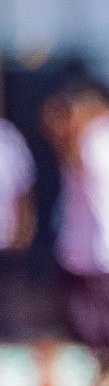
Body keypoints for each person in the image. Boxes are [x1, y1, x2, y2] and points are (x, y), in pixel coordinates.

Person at [42, 84, 109, 386]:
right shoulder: (85, 139)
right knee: (85, 313)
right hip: (86, 245)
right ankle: (104, 373)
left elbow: (103, 187)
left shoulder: (104, 137)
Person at [0, 113, 36, 342]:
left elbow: (24, 188)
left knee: (7, 295)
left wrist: (25, 226)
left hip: (5, 235)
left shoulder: (8, 138)